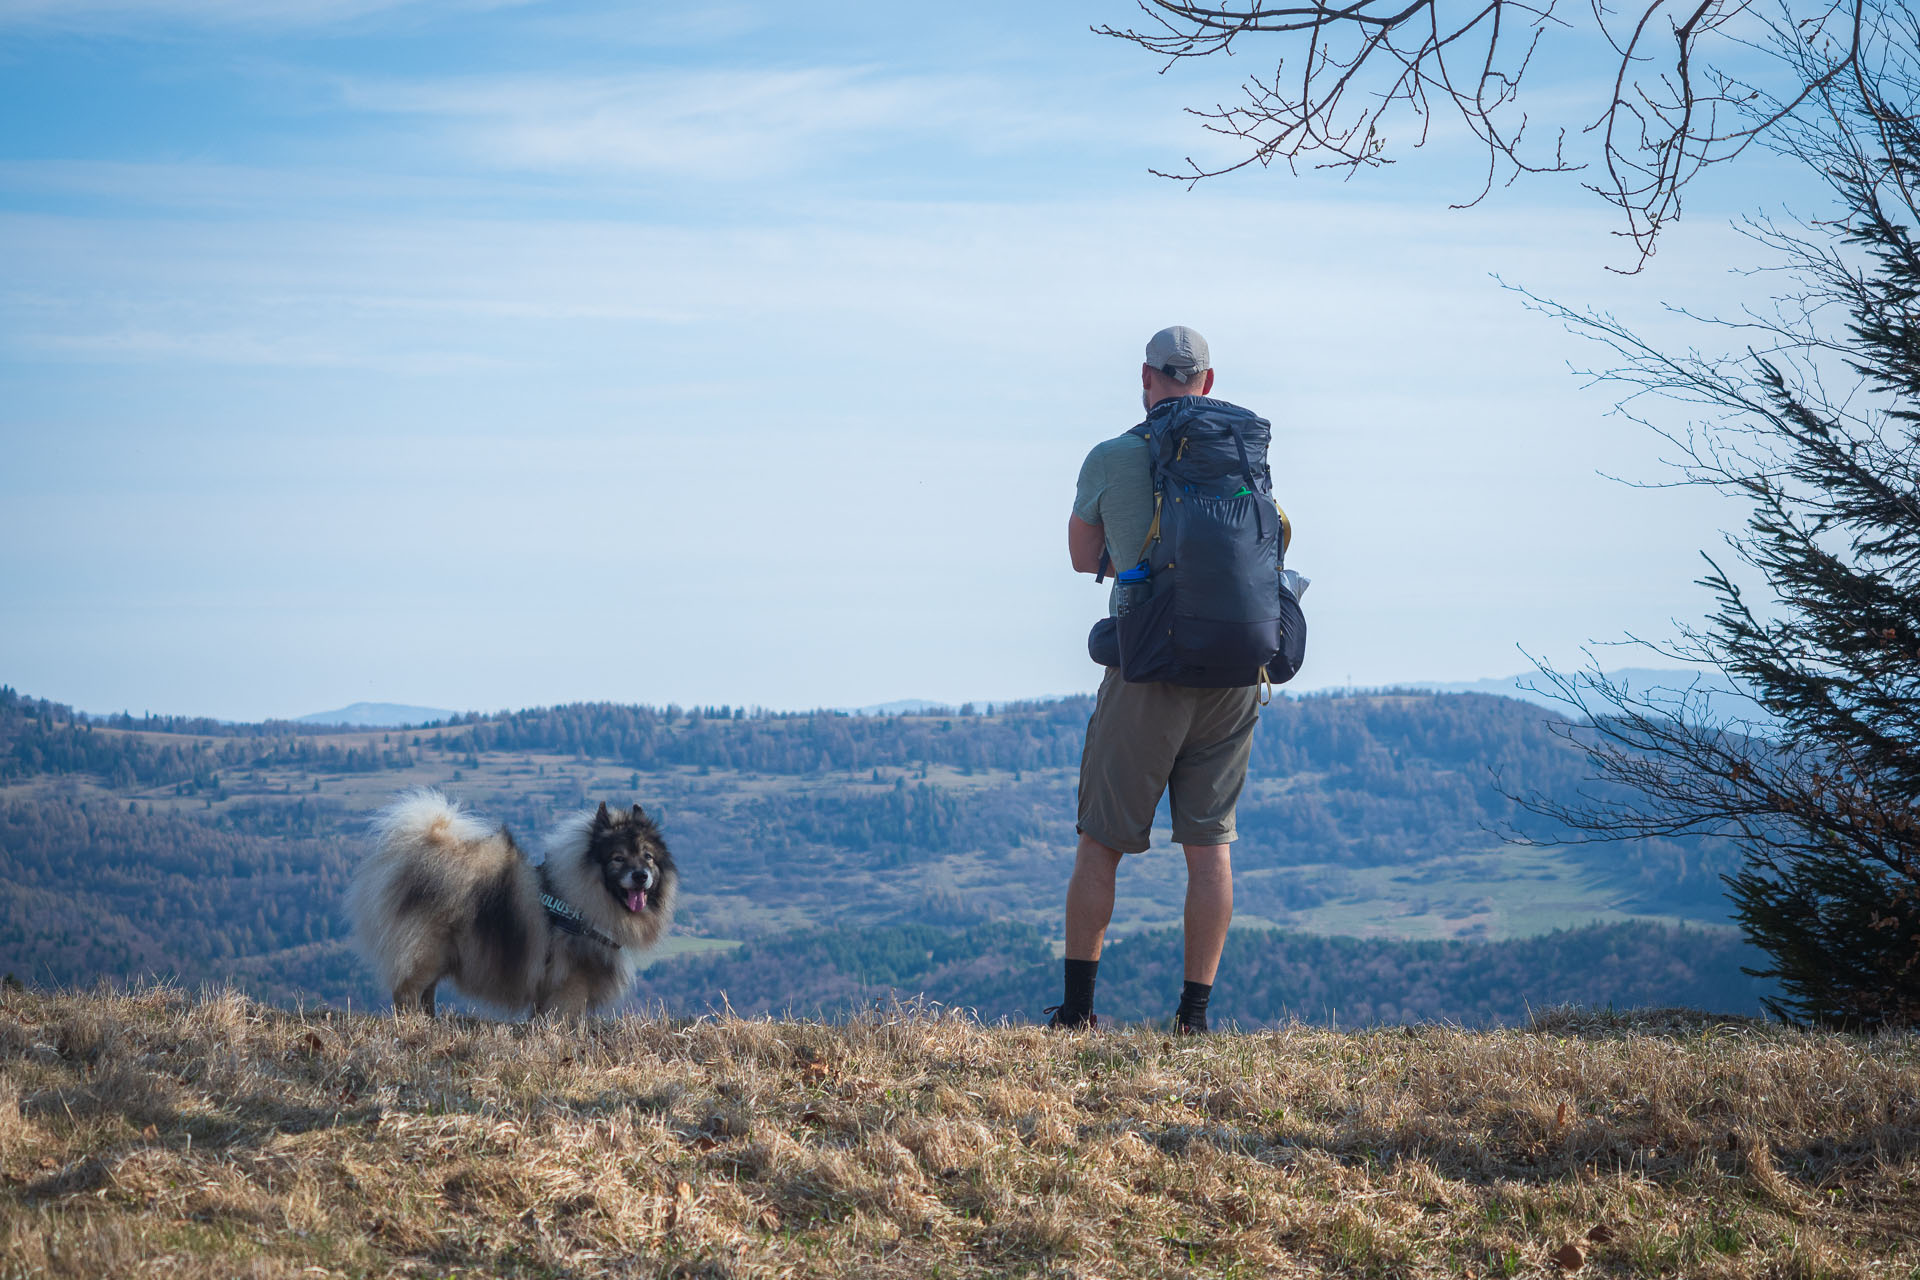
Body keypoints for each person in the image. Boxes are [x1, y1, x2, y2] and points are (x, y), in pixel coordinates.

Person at [1051, 325, 1265, 1034]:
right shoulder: (1241, 452)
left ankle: (1079, 1013)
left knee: (1100, 842)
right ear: (1208, 381)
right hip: (1234, 672)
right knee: (1211, 850)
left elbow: (1084, 558)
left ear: (1147, 380)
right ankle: (1194, 1019)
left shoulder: (1114, 457)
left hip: (1147, 668)